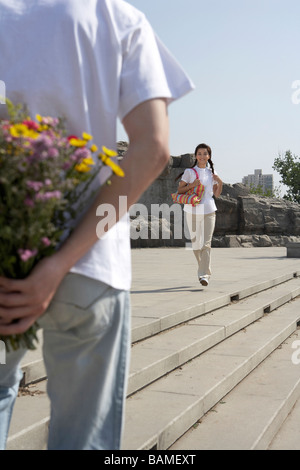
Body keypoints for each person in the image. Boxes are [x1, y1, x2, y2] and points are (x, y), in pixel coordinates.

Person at [0, 0, 194, 450]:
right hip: (91, 265)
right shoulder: (117, 17)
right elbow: (153, 148)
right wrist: (63, 260)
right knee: (83, 435)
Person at [177, 143, 222, 286]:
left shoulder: (211, 173)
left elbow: (217, 194)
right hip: (192, 211)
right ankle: (205, 269)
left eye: (205, 154)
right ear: (196, 156)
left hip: (209, 210)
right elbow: (180, 190)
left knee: (206, 244)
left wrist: (219, 181)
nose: (202, 156)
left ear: (209, 157)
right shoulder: (189, 172)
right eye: (199, 153)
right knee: (196, 245)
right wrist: (192, 185)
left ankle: (203, 275)